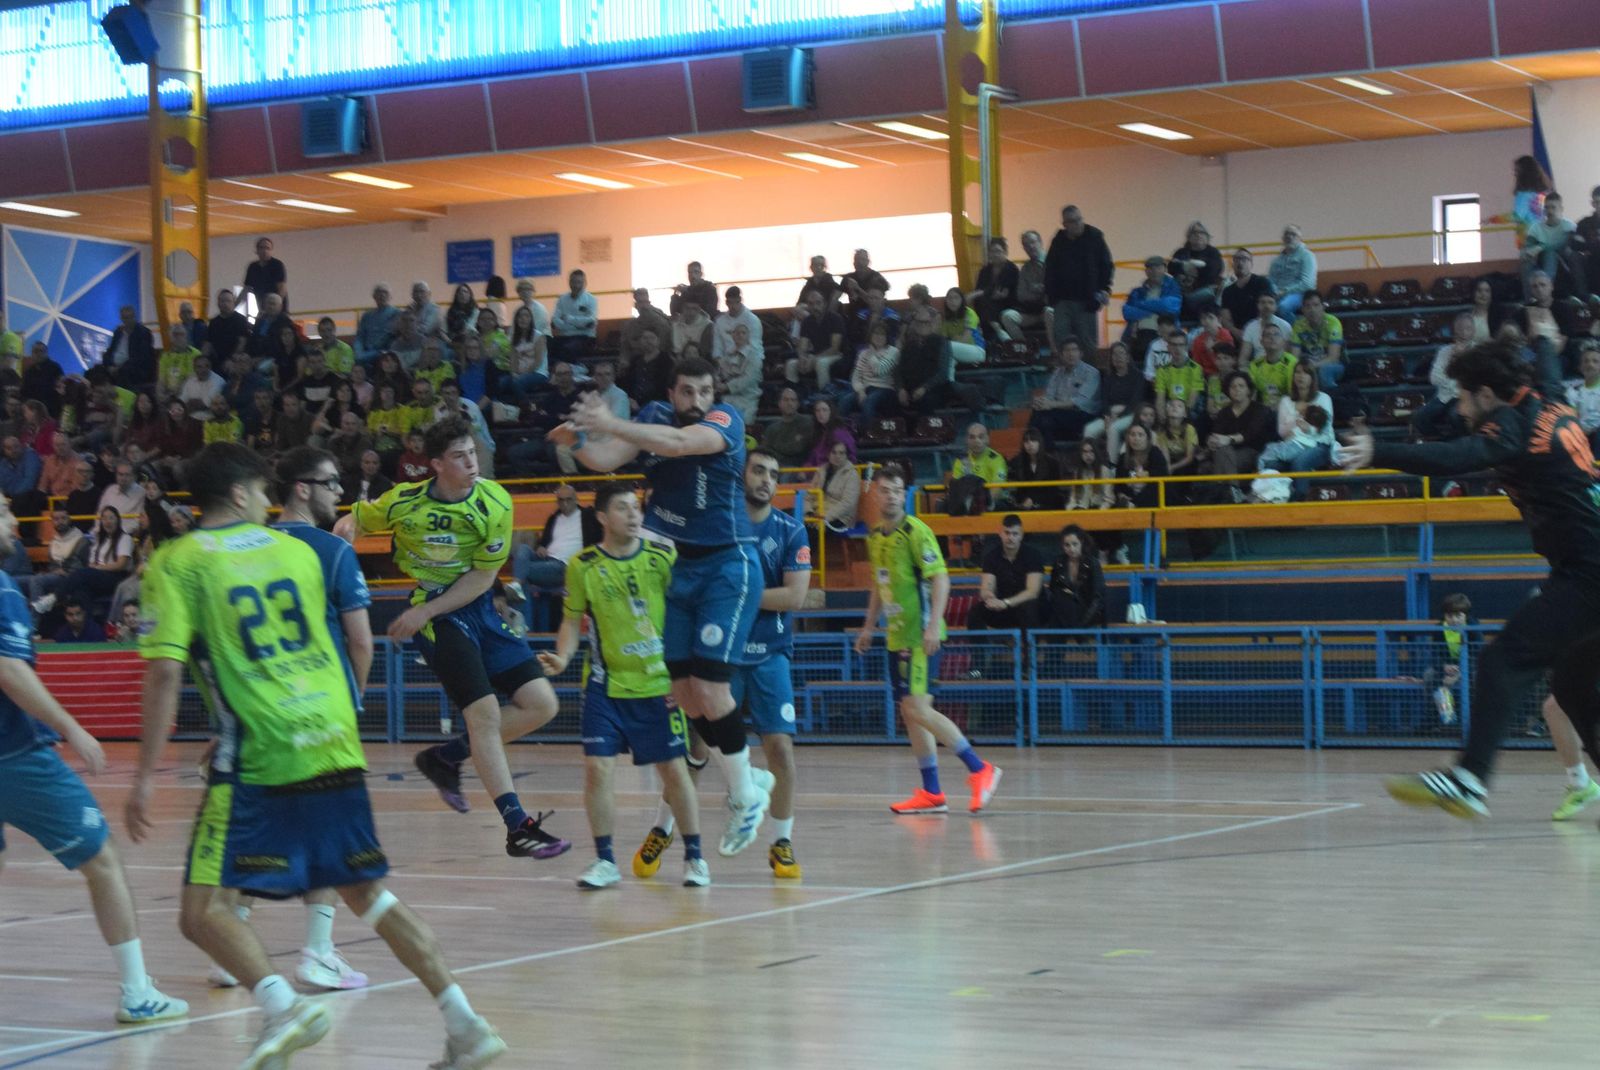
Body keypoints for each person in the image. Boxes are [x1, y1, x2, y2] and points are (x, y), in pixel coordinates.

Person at [127, 441, 505, 1070]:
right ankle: (465, 1023)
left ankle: (283, 1008)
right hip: (331, 736)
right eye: (261, 491)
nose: (267, 502)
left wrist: (144, 776)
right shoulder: (298, 552)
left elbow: (165, 672)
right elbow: (335, 647)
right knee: (370, 895)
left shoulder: (177, 561)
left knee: (201, 914)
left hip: (261, 749)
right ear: (241, 494)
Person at [1336, 337, 1600, 818]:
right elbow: (1547, 369)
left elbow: (1459, 455)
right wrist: (1543, 339)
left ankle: (1469, 780)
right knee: (1573, 685)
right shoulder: (1550, 401)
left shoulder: (1512, 426)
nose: (1459, 409)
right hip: (1583, 568)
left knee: (1503, 660)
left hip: (1590, 574)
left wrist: (1379, 450)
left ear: (1485, 394)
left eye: (1462, 397)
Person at [558, 357, 772, 855]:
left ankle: (744, 796)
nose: (696, 400)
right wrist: (578, 439)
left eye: (704, 391)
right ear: (671, 394)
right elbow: (607, 460)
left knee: (711, 687)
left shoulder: (725, 421)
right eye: (687, 391)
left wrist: (610, 420)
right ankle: (747, 776)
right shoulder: (653, 416)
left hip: (727, 563)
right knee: (680, 689)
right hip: (679, 567)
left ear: (714, 394)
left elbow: (676, 444)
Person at [334, 418, 570, 859]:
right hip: (437, 616)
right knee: (484, 715)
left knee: (543, 704)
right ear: (437, 465)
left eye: (472, 453)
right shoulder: (404, 501)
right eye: (459, 456)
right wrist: (345, 539)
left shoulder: (494, 501)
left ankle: (446, 757)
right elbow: (353, 520)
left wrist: (425, 610)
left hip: (475, 606)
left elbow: (482, 577)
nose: (471, 463)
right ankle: (518, 826)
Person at [0, 495, 188, 1025]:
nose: (14, 520)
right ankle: (137, 993)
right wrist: (72, 728)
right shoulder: (3, 590)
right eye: (3, 511)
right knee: (103, 860)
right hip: (14, 757)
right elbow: (9, 671)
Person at [535, 483, 707, 889]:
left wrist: (684, 674)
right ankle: (605, 860)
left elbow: (688, 615)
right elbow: (570, 621)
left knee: (674, 772)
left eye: (636, 508)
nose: (633, 515)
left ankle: (695, 857)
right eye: (622, 508)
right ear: (601, 517)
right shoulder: (582, 566)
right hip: (604, 685)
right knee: (597, 768)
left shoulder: (662, 558)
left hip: (658, 685)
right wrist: (563, 656)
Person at [857, 465, 1001, 814]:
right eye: (885, 490)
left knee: (917, 708)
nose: (891, 496)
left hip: (921, 638)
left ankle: (980, 769)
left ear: (904, 494)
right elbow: (879, 583)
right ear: (874, 494)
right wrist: (868, 626)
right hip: (896, 638)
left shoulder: (916, 532)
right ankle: (932, 792)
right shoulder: (875, 536)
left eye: (897, 490)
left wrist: (934, 625)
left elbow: (941, 579)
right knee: (911, 714)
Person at [721, 449, 811, 877]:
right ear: (742, 475)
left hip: (770, 654)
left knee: (780, 749)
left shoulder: (792, 531)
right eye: (758, 470)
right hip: (722, 654)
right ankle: (670, 833)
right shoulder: (720, 525)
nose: (766, 480)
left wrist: (737, 594)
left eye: (774, 474)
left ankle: (782, 843)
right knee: (697, 749)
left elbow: (794, 597)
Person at [511, 483, 599, 629]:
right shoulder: (554, 518)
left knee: (523, 574)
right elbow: (545, 541)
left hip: (565, 566)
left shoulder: (588, 516)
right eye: (561, 500)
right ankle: (516, 584)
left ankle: (525, 625)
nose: (565, 503)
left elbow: (597, 539)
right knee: (522, 549)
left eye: (568, 499)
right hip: (546, 559)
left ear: (576, 499)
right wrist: (541, 547)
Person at [1043, 204, 1114, 356]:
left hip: (1087, 300)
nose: (1078, 224)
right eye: (1073, 221)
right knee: (1062, 340)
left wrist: (1104, 289)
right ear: (1065, 224)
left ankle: (1089, 370)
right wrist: (1051, 296)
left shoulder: (1095, 237)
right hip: (1062, 300)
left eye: (1079, 219)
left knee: (1088, 343)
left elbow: (1106, 265)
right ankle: (1065, 370)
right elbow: (1050, 269)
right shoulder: (1058, 241)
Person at [973, 513, 1044, 635]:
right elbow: (986, 588)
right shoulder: (991, 557)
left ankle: (1029, 647)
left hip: (1030, 607)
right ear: (1000, 533)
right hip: (1003, 608)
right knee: (976, 612)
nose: (1010, 538)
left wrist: (1006, 603)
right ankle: (980, 648)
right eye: (1007, 533)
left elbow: (1032, 592)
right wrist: (990, 599)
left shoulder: (1033, 555)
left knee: (1029, 607)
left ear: (1021, 535)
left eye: (1015, 534)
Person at [1029, 339, 1101, 447]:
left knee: (1044, 418)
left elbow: (1079, 402)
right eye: (1067, 350)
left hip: (1083, 415)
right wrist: (1040, 402)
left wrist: (1051, 404)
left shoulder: (1091, 373)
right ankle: (1042, 451)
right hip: (1061, 414)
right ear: (1061, 355)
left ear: (1081, 353)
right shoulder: (1057, 373)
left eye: (1074, 350)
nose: (1070, 354)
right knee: (1039, 413)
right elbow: (1049, 396)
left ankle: (1038, 451)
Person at [1046, 524, 1105, 628]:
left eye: (1075, 544)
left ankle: (1074, 632)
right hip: (1063, 610)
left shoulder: (1093, 563)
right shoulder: (1058, 562)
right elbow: (1053, 589)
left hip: (1087, 612)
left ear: (1081, 542)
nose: (1071, 549)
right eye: (1067, 545)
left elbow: (1098, 598)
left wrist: (1084, 621)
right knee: (1060, 598)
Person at [1289, 290, 1345, 391]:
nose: (1312, 310)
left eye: (1316, 305)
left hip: (1334, 365)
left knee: (1324, 371)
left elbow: (1333, 358)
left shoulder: (1333, 322)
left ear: (1323, 307)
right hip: (1308, 363)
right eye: (1308, 306)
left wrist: (1312, 366)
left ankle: (1332, 398)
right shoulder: (1298, 326)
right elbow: (1294, 357)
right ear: (1303, 309)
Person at [1169, 221, 1224, 317]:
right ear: (1189, 237)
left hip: (1205, 294)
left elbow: (1214, 271)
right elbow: (1171, 267)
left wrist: (1189, 267)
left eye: (1202, 232)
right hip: (1184, 294)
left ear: (1207, 237)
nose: (1198, 235)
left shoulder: (1213, 252)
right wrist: (1185, 267)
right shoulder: (1181, 252)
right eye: (1194, 232)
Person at [758, 385, 815, 468]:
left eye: (793, 400)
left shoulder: (808, 423)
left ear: (798, 404)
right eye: (786, 400)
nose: (790, 403)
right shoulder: (772, 429)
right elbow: (764, 451)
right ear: (779, 403)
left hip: (801, 468)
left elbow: (800, 449)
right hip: (776, 467)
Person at [812, 439, 862, 531]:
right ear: (828, 454)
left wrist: (825, 517)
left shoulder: (852, 475)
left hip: (840, 518)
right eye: (834, 452)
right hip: (817, 513)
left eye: (841, 453)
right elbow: (809, 497)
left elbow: (847, 504)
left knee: (810, 531)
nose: (837, 456)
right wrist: (807, 512)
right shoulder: (821, 471)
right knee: (790, 518)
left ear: (846, 456)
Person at [1268, 225, 1317, 318]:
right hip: (1277, 294)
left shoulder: (1307, 256)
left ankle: (1294, 328)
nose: (1289, 237)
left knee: (1283, 307)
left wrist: (1284, 291)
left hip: (1300, 294)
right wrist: (1274, 292)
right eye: (1286, 234)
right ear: (1282, 239)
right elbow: (1270, 280)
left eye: (1293, 234)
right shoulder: (1276, 260)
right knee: (1261, 306)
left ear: (1300, 238)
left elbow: (1307, 284)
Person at [1008, 427, 1063, 511]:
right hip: (1023, 504)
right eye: (1026, 441)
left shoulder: (1052, 463)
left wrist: (1033, 500)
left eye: (1033, 440)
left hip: (1047, 504)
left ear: (1039, 442)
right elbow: (1018, 488)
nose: (1030, 444)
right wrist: (1024, 500)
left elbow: (1053, 489)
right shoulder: (1017, 462)